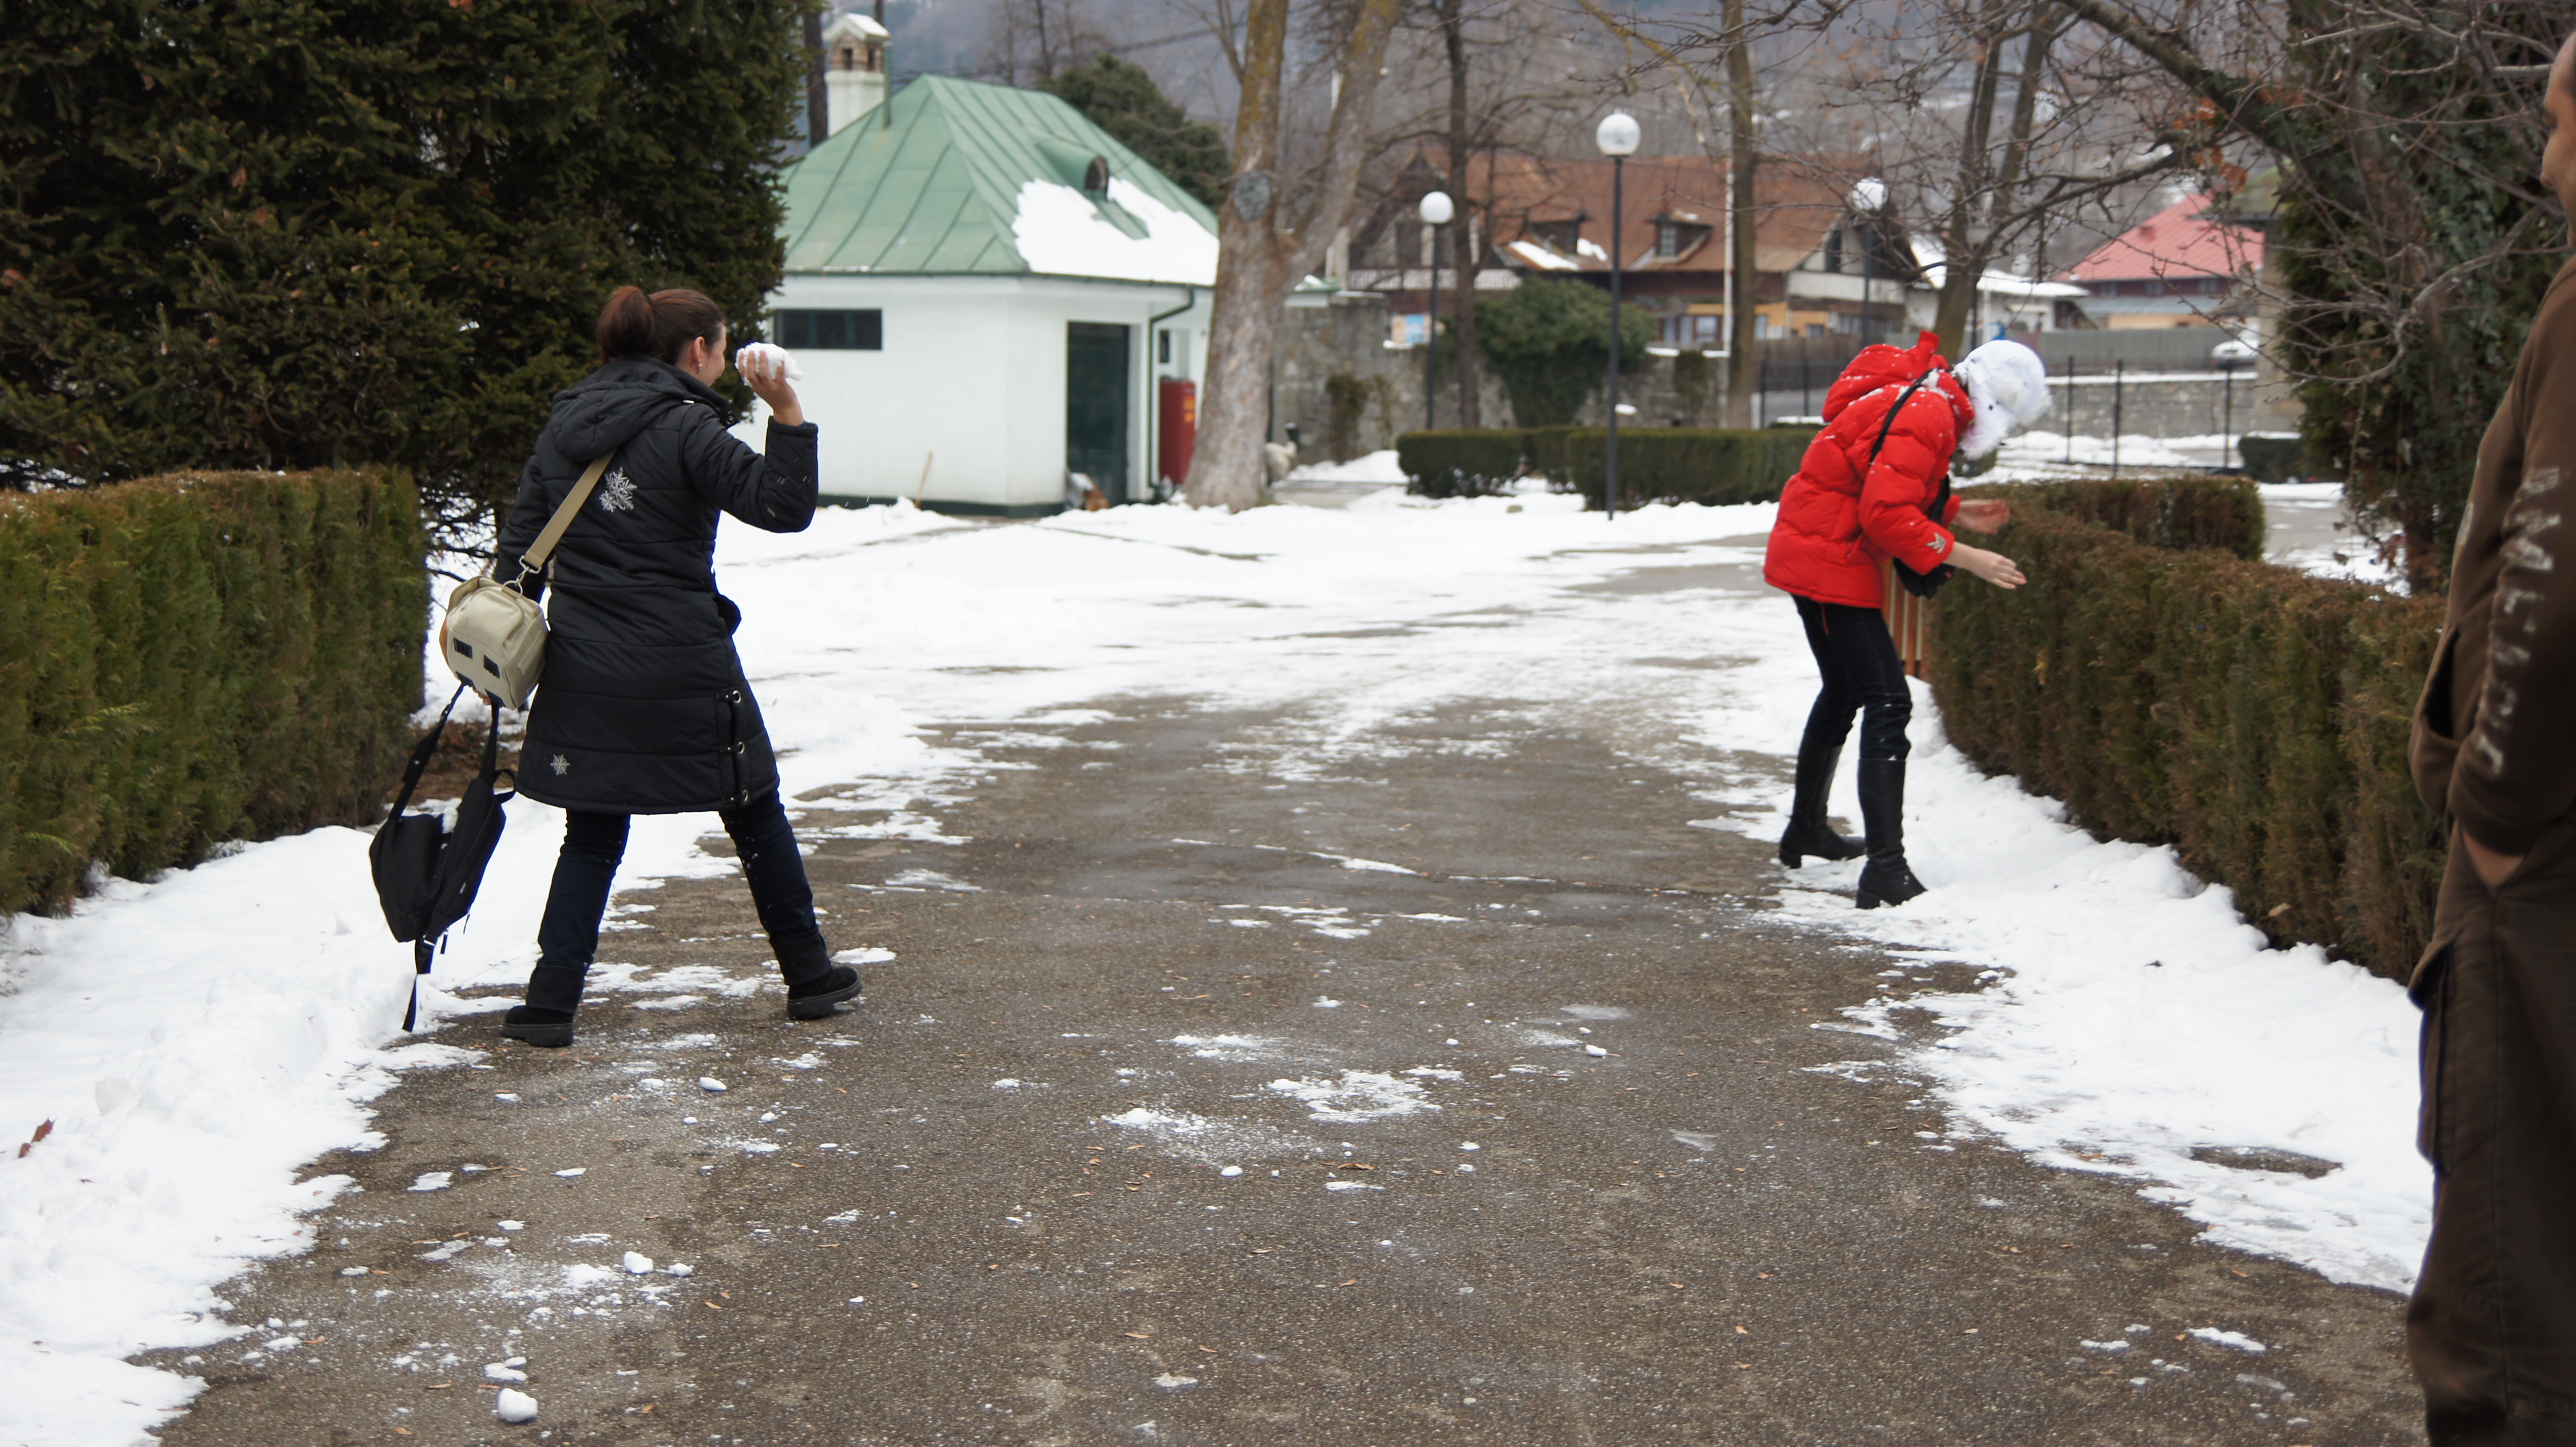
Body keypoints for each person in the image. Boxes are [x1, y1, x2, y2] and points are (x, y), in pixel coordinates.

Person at [491, 286, 861, 1048]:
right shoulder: (689, 426)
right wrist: (785, 411)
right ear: (698, 351)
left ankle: (550, 1004)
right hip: (685, 663)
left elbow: (518, 559)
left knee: (592, 833)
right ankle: (810, 977)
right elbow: (782, 507)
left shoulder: (564, 426)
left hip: (586, 665)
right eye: (721, 349)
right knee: (753, 810)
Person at [2403, 28, 2576, 1441]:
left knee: (2510, 1291)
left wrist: (2496, 813)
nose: (2545, 158)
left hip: (2548, 858)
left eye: (2561, 121)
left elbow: (2551, 568)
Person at [1762, 331, 2049, 908]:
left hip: (1818, 547)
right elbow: (1885, 512)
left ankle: (1807, 830)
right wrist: (1967, 557)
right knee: (1889, 700)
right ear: (1991, 403)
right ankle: (1884, 871)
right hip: (1828, 556)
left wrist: (1955, 512)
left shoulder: (1928, 398)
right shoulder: (1929, 413)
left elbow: (1879, 474)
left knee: (1846, 691)